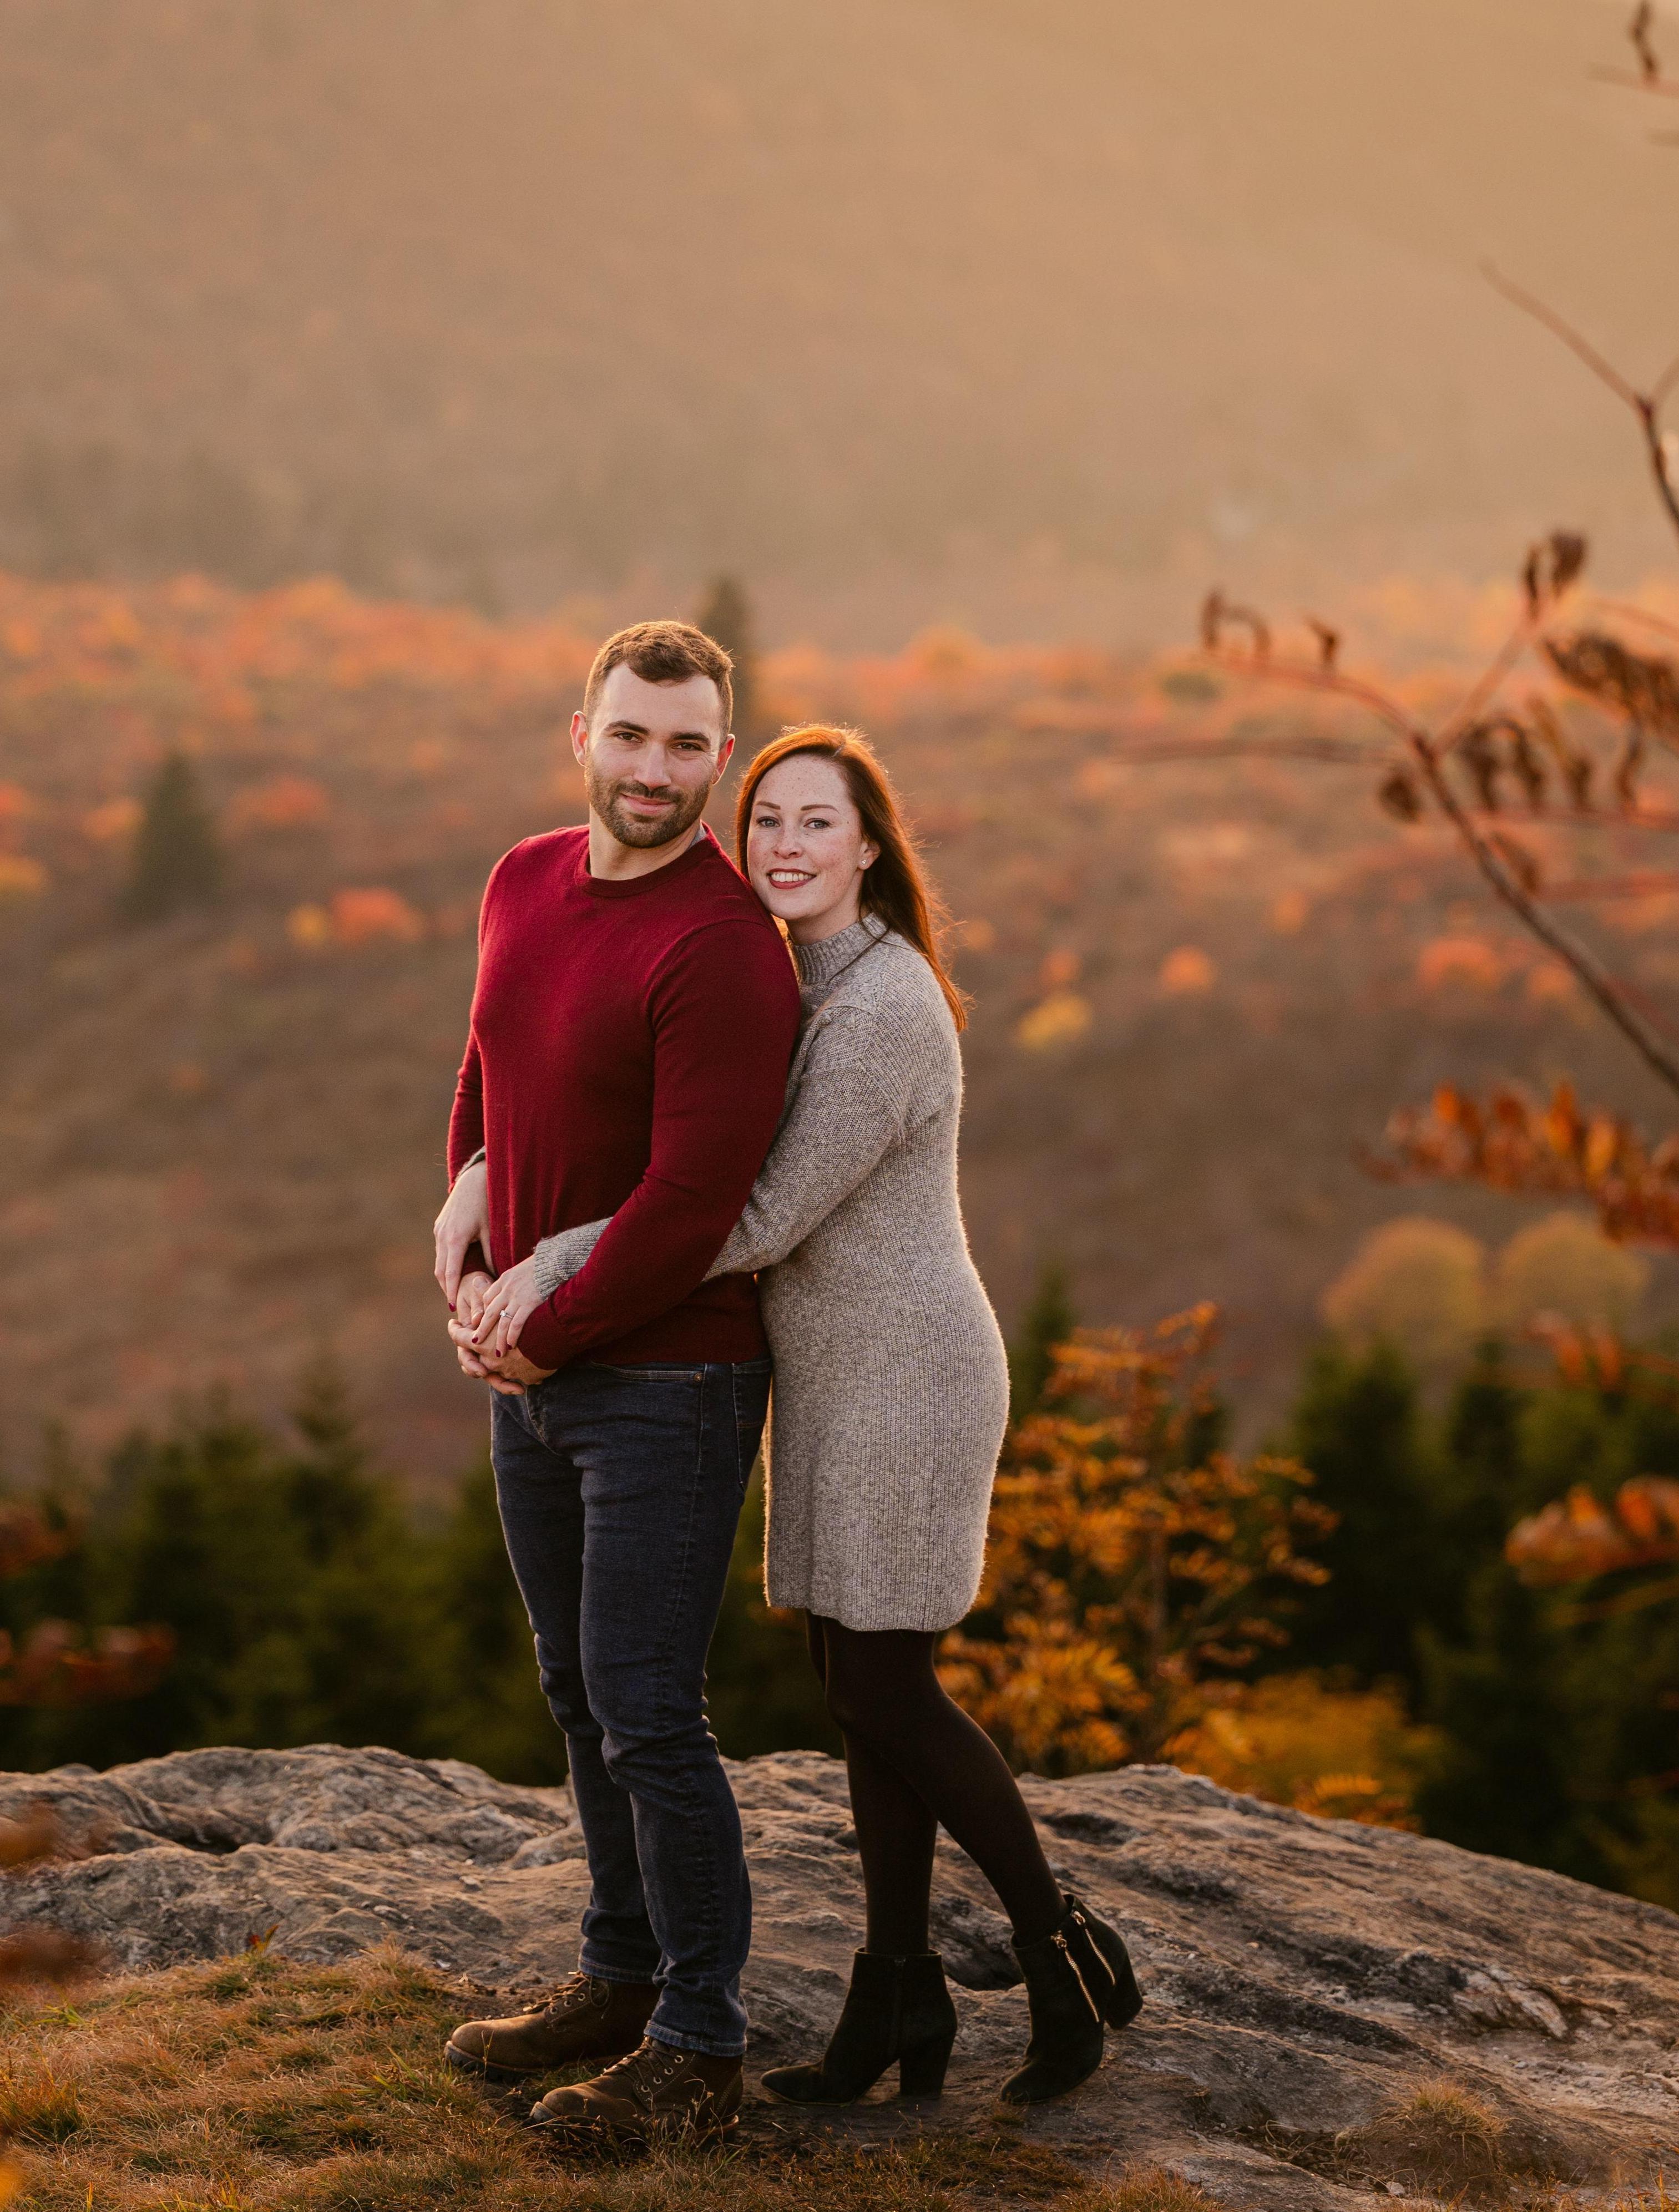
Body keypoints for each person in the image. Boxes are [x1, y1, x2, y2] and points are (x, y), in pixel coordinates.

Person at [462, 725, 1142, 2109]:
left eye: (815, 825)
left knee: (886, 1684)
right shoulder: (805, 976)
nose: (781, 845)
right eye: (765, 819)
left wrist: (549, 1262)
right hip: (830, 1370)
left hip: (905, 1373)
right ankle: (894, 1994)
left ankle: (1056, 1954)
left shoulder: (882, 1007)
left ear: (870, 847)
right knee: (857, 1688)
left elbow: (750, 1213)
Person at [430, 620, 801, 2146]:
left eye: (687, 745)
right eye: (630, 736)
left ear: (720, 758)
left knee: (650, 1707)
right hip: (532, 1364)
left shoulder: (724, 949)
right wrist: (456, 1203)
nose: (655, 771)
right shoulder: (522, 877)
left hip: (664, 1380)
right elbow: (485, 1061)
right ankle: (619, 1972)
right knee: (578, 1696)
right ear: (579, 733)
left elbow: (689, 1203)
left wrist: (545, 1332)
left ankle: (700, 2046)